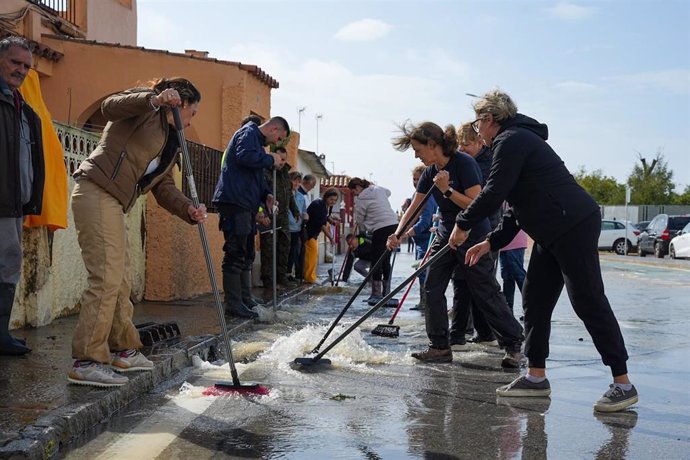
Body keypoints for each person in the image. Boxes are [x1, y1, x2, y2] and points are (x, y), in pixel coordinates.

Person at [450, 89, 637, 412]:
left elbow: (494, 192)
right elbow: (514, 207)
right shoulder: (513, 141)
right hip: (551, 231)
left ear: (489, 119)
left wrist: (464, 222)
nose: (477, 129)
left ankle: (623, 384)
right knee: (535, 300)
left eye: (478, 122)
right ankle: (536, 377)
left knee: (588, 300)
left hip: (572, 224)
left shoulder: (513, 140)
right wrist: (490, 242)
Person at [68, 77, 206, 387]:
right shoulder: (144, 107)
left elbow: (164, 186)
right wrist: (154, 99)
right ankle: (87, 360)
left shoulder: (170, 142)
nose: (191, 120)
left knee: (121, 279)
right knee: (106, 276)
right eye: (193, 113)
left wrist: (188, 209)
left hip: (115, 204)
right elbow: (109, 107)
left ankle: (123, 350)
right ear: (182, 103)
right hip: (95, 190)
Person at [389, 121, 523, 366]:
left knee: (484, 290)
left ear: (433, 144)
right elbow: (415, 208)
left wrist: (447, 190)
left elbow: (476, 204)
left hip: (472, 232)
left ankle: (514, 343)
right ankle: (439, 346)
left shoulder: (464, 163)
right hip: (445, 234)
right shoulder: (429, 172)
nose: (417, 155)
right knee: (432, 287)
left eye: (418, 149)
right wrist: (398, 233)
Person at [213, 116, 288, 319]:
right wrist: (270, 159)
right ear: (273, 128)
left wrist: (267, 196)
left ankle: (245, 300)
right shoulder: (248, 133)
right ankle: (233, 304)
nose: (275, 143)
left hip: (246, 204)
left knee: (246, 254)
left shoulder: (256, 142)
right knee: (235, 253)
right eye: (278, 137)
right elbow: (244, 157)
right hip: (235, 202)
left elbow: (255, 178)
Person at [0, 36, 44, 356]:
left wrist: (32, 199)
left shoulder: (26, 111)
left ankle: (1, 334)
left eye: (26, 66)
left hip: (12, 203)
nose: (22, 70)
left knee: (7, 267)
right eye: (15, 62)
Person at [347, 177, 399, 305]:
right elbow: (389, 192)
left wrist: (361, 226)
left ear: (358, 188)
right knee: (386, 258)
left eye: (354, 192)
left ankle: (376, 294)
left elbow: (359, 219)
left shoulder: (361, 199)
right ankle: (387, 293)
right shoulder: (379, 189)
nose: (355, 194)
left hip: (380, 228)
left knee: (376, 260)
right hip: (394, 224)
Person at [260, 147, 299, 289]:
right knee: (269, 249)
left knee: (284, 247)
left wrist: (295, 210)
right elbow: (261, 194)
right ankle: (268, 280)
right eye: (280, 159)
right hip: (270, 217)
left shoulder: (284, 175)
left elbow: (289, 195)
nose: (282, 162)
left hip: (283, 218)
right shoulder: (265, 172)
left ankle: (281, 277)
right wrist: (263, 213)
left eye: (284, 159)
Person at [404, 165, 437, 311]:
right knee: (421, 272)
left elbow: (425, 221)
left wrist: (409, 232)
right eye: (414, 179)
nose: (416, 182)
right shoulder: (418, 194)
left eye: (419, 179)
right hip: (420, 240)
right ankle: (424, 302)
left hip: (426, 239)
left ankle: (426, 304)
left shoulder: (428, 195)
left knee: (424, 273)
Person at [303, 188, 339, 283]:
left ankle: (311, 276)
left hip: (314, 233)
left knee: (313, 255)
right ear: (326, 197)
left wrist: (330, 220)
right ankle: (309, 278)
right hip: (309, 233)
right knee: (312, 255)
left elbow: (325, 217)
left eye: (335, 200)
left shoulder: (326, 206)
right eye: (331, 199)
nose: (333, 202)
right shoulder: (319, 205)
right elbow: (322, 225)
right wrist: (331, 238)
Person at [295, 174, 317, 282]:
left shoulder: (305, 194)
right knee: (298, 251)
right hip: (298, 226)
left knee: (301, 251)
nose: (312, 188)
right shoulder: (299, 194)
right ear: (308, 183)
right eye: (313, 185)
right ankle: (299, 274)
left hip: (302, 226)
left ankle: (301, 274)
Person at [287, 170, 306, 281]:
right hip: (286, 227)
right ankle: (284, 273)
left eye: (299, 182)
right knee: (285, 251)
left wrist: (305, 216)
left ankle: (289, 273)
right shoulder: (285, 194)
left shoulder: (301, 197)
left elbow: (303, 211)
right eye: (295, 181)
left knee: (293, 252)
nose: (297, 184)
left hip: (296, 228)